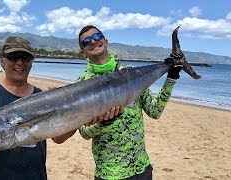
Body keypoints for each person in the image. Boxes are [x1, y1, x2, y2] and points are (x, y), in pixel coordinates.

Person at [0, 36, 122, 180]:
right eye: (13, 57)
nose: (19, 62)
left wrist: (82, 114)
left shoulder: (42, 96)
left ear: (31, 63)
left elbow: (58, 137)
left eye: (25, 58)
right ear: (2, 61)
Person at [75, 25, 182, 180]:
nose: (93, 41)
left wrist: (171, 78)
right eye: (86, 41)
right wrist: (103, 123)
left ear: (105, 41)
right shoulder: (81, 84)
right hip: (110, 173)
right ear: (83, 52)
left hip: (142, 168)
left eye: (97, 37)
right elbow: (84, 133)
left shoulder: (132, 73)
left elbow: (155, 111)